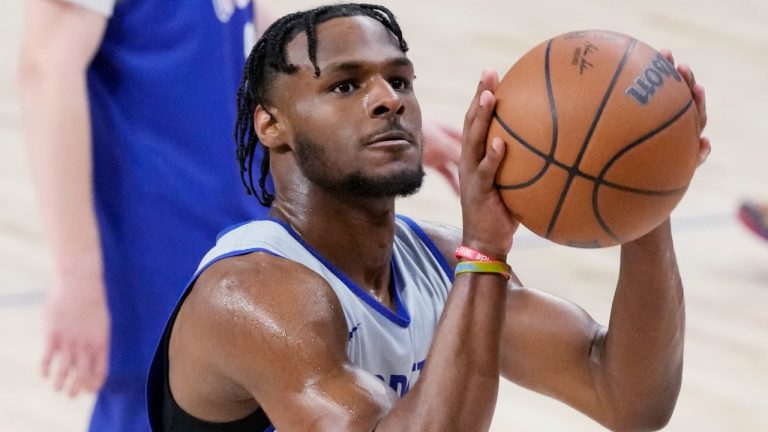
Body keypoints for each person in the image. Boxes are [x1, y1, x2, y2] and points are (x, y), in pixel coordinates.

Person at [146, 3, 710, 431]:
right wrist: (485, 254)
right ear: (271, 126)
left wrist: (646, 199)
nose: (388, 99)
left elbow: (626, 396)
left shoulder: (439, 263)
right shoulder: (253, 296)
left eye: (400, 80)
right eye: (345, 85)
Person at [18, 0, 461, 431]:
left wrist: (370, 123)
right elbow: (46, 69)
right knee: (149, 402)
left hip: (241, 211)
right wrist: (76, 271)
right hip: (154, 234)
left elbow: (274, 45)